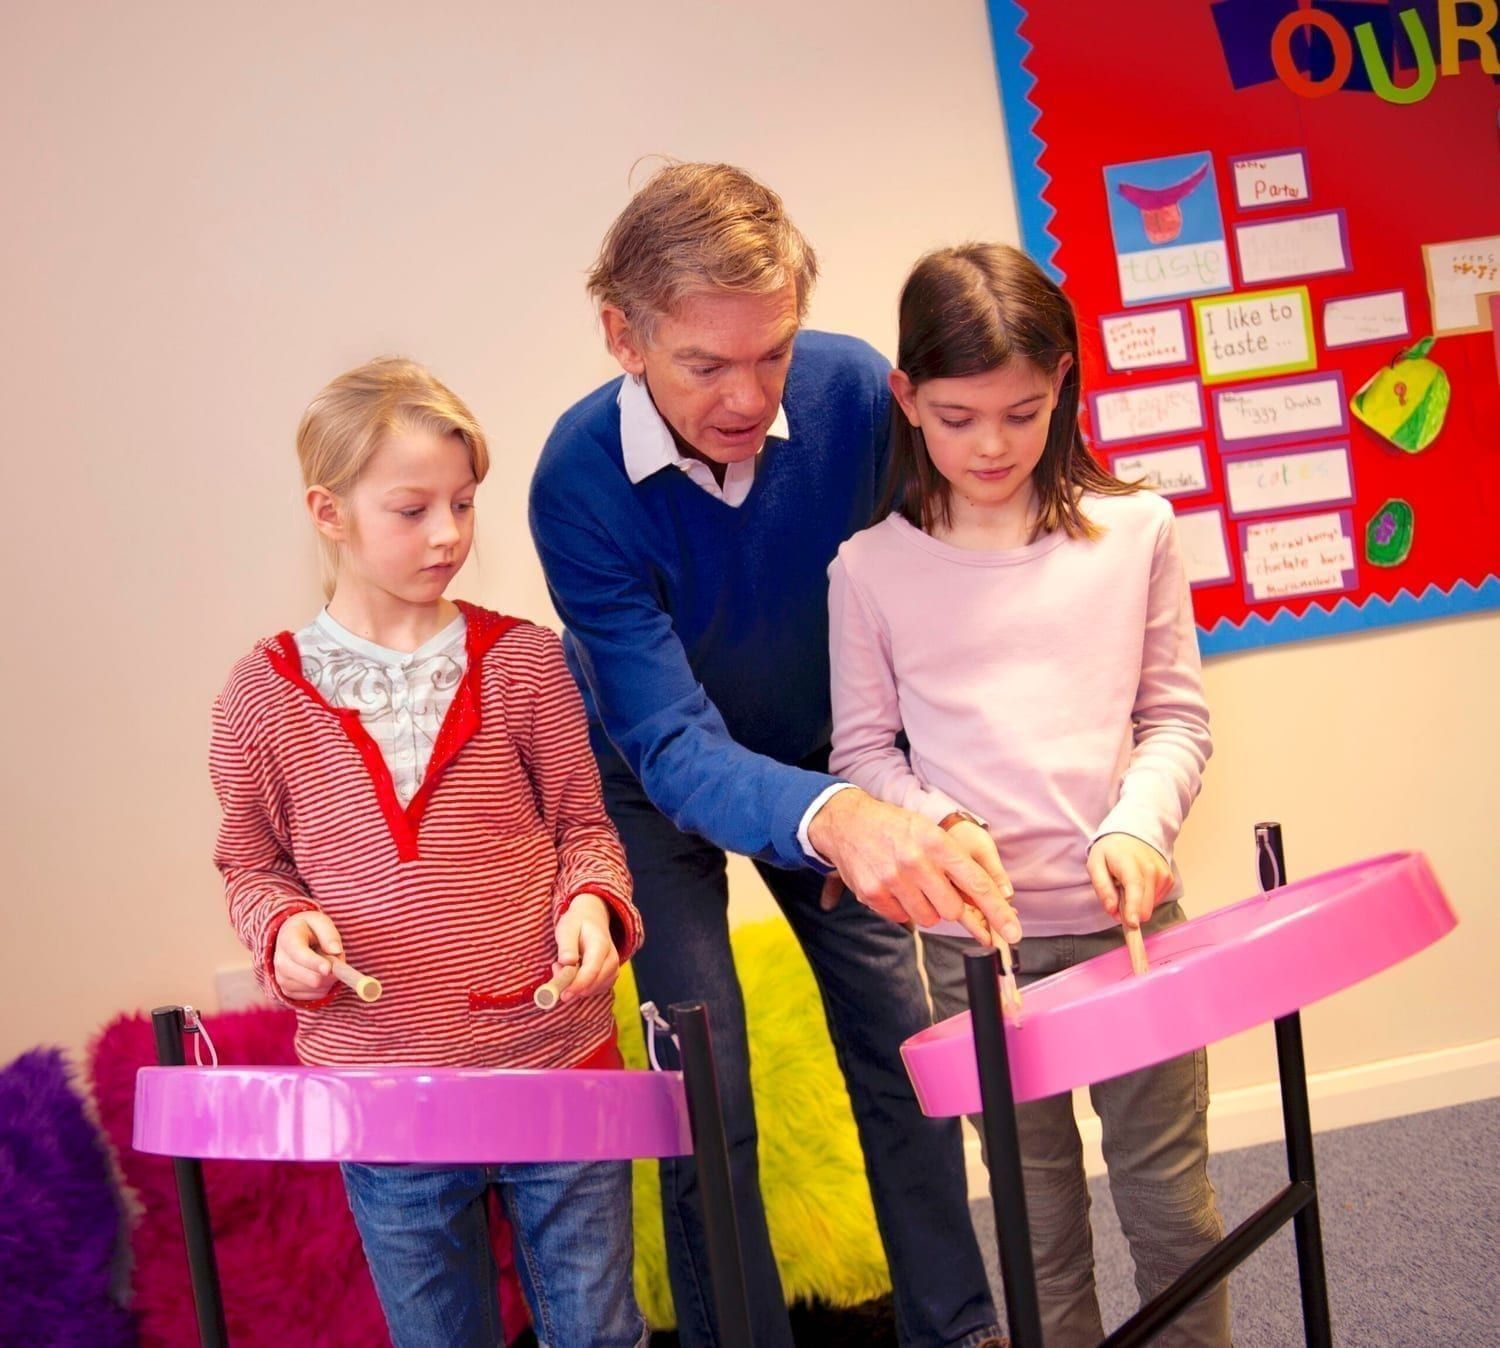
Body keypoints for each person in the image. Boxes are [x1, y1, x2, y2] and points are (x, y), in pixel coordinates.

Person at [530, 163, 1014, 1348]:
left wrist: (900, 784)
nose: (748, 395)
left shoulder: (854, 390)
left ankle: (960, 1329)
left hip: (821, 755)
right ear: (622, 336)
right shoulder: (577, 481)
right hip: (653, 787)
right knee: (711, 1090)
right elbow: (673, 740)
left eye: (773, 353)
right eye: (706, 363)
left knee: (903, 1053)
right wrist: (836, 818)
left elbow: (946, 558)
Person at [828, 242, 1229, 1347]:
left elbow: (1176, 718)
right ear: (907, 398)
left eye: (1020, 410)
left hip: (1130, 932)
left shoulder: (1135, 528)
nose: (991, 445)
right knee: (1034, 1229)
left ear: (1062, 382)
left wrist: (1138, 826)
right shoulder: (869, 568)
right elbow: (863, 751)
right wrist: (941, 822)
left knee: (1172, 1209)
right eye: (956, 418)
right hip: (977, 956)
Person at [211, 357, 647, 1348]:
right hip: (384, 1096)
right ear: (329, 513)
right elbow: (250, 861)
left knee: (600, 1332)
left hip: (557, 1068)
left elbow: (586, 827)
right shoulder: (260, 694)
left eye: (463, 502)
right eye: (413, 508)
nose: (449, 532)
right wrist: (281, 931)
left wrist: (591, 906)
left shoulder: (529, 661)